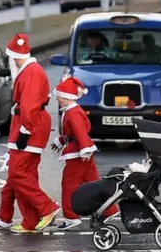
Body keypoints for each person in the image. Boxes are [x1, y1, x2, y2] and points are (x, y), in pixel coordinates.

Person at [0, 34, 60, 233]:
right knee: (25, 174)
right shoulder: (32, 70)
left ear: (13, 56)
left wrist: (25, 130)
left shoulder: (29, 72)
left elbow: (29, 105)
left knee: (19, 174)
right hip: (30, 123)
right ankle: (30, 220)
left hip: (29, 125)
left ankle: (47, 208)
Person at [50, 76, 119, 230]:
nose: (58, 99)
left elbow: (80, 133)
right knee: (94, 184)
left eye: (60, 96)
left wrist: (84, 149)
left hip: (78, 155)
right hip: (82, 153)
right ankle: (109, 209)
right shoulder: (72, 110)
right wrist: (62, 141)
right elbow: (75, 133)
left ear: (68, 97)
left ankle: (71, 217)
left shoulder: (72, 113)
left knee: (69, 184)